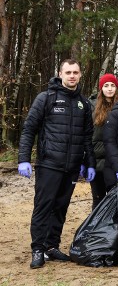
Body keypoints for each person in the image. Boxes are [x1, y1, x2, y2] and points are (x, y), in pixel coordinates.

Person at [18, 59, 96, 269]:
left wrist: (89, 163)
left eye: (75, 72)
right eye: (68, 72)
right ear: (60, 74)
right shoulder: (47, 98)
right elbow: (29, 130)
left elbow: (87, 137)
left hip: (71, 168)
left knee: (60, 208)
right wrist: (23, 159)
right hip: (49, 164)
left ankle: (51, 246)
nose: (72, 76)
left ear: (80, 75)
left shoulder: (84, 103)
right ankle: (37, 249)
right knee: (44, 207)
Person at [89, 73, 118, 210]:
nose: (109, 89)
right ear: (101, 88)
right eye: (106, 85)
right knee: (98, 200)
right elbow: (88, 134)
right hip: (97, 161)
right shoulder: (92, 106)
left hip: (115, 161)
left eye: (112, 85)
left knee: (115, 200)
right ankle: (95, 230)